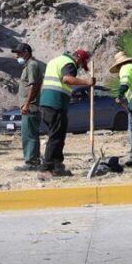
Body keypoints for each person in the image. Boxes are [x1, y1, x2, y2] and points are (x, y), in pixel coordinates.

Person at [39, 48, 94, 178]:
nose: (80, 67)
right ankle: (45, 168)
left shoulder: (55, 61)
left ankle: (58, 166)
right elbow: (67, 79)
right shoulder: (69, 64)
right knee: (55, 137)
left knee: (58, 135)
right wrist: (86, 82)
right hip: (55, 103)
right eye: (81, 65)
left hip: (47, 103)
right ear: (79, 59)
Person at [12, 42, 44, 170]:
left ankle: (31, 163)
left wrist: (27, 104)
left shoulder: (32, 65)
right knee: (29, 134)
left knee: (29, 135)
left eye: (19, 53)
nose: (17, 56)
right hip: (28, 107)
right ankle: (34, 160)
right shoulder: (28, 66)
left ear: (26, 53)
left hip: (30, 107)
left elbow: (33, 85)